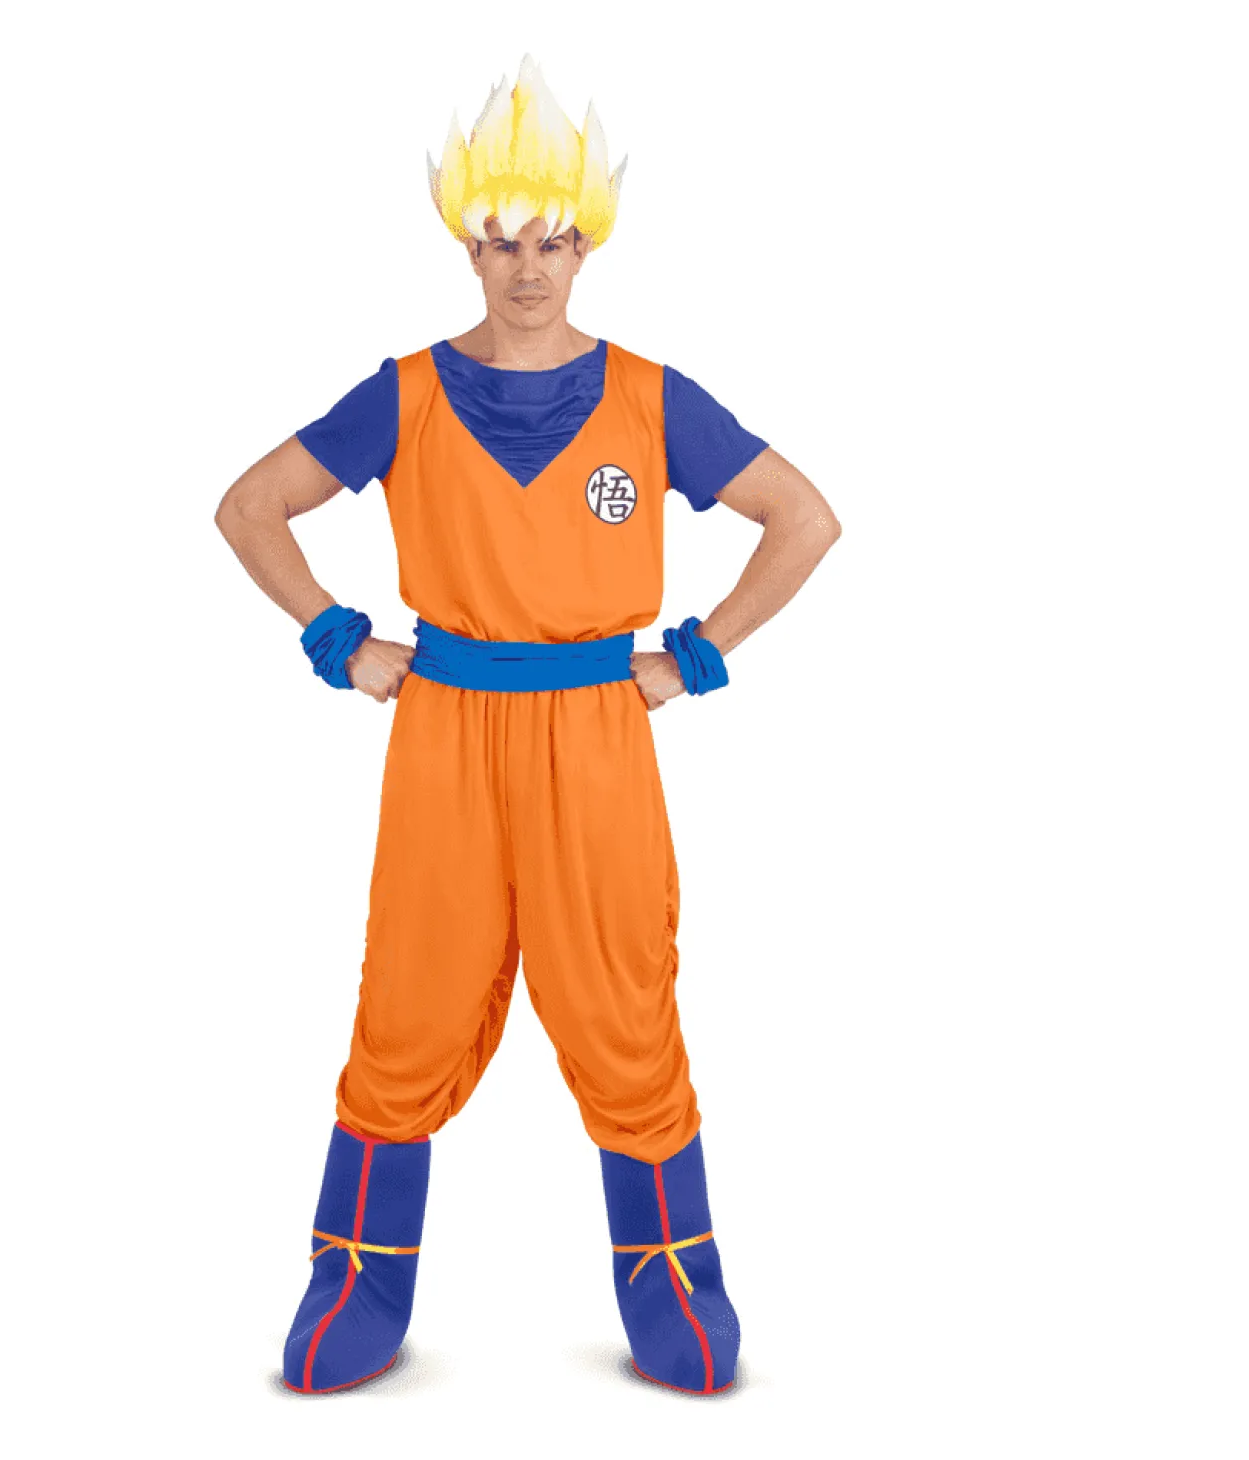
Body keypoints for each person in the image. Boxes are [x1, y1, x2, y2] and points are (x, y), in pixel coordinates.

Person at [215, 54, 842, 1397]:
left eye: (550, 239)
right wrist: (336, 638)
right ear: (468, 243)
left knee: (621, 999)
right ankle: (355, 1273)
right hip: (444, 733)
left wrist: (697, 658)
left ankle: (674, 1273)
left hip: (596, 736)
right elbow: (250, 507)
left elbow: (804, 519)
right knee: (411, 996)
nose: (526, 266)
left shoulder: (651, 398)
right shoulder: (405, 392)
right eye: (501, 239)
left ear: (585, 244)